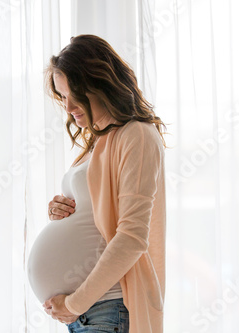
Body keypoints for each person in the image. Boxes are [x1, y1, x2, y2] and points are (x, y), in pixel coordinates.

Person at [41, 34, 167, 333]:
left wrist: (74, 304)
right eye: (62, 96)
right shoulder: (99, 142)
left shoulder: (136, 135)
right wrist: (59, 212)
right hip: (92, 311)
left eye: (74, 93)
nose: (68, 106)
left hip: (108, 306)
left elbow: (132, 237)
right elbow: (96, 218)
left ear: (101, 83)